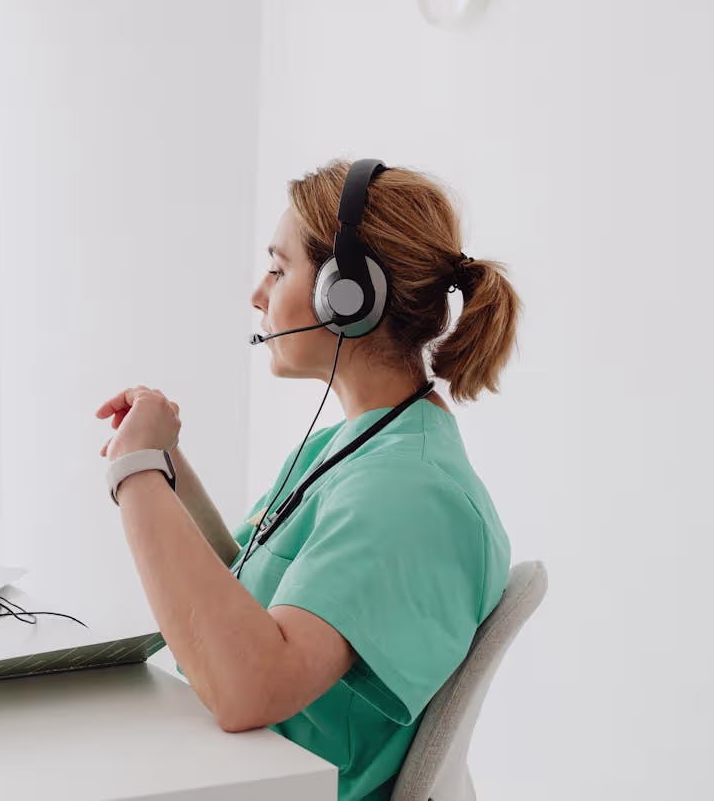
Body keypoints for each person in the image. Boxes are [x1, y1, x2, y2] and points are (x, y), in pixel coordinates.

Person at [95, 159, 520, 801]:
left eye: (277, 267)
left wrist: (136, 476)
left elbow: (249, 687)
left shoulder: (407, 492)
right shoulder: (357, 446)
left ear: (347, 295)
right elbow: (248, 592)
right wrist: (167, 465)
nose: (257, 294)